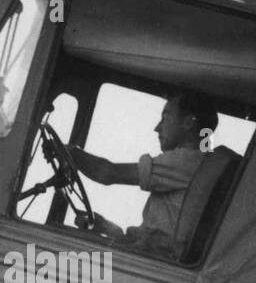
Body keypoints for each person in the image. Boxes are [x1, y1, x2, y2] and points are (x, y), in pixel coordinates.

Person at [63, 91, 219, 256]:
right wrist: (105, 226)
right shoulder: (197, 162)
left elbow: (107, 173)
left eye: (165, 118)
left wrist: (71, 152)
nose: (157, 128)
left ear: (188, 122)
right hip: (149, 255)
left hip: (154, 261)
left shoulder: (188, 160)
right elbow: (143, 240)